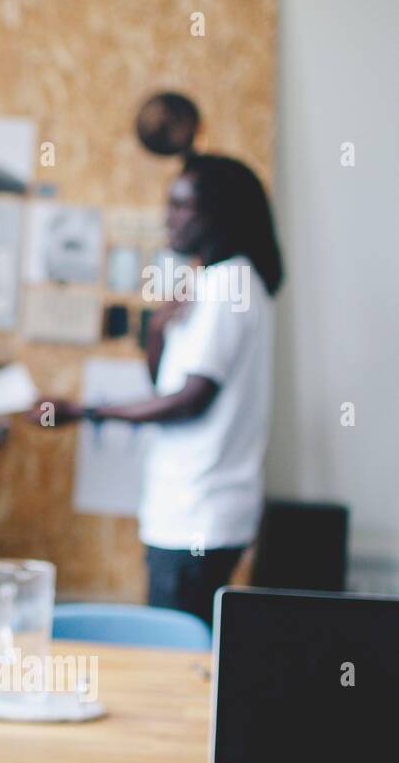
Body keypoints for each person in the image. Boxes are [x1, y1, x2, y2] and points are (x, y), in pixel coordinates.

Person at [29, 154, 282, 626]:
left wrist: (86, 412)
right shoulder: (216, 283)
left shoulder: (230, 286)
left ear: (220, 216)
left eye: (183, 206)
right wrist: (159, 329)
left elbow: (189, 401)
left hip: (197, 512)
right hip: (191, 509)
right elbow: (164, 384)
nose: (169, 217)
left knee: (178, 658)